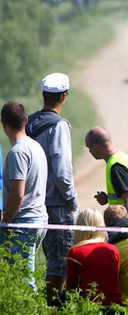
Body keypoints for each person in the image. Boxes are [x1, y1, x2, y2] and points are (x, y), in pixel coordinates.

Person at [25, 72, 79, 304]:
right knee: (61, 261)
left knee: (49, 260)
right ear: (64, 96)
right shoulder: (59, 126)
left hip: (36, 202)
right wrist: (72, 199)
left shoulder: (30, 123)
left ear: (43, 95)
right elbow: (62, 169)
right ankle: (55, 307)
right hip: (57, 204)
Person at [0, 101, 48, 291]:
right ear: (26, 120)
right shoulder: (35, 146)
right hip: (37, 219)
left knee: (23, 279)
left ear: (3, 124)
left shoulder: (17, 152)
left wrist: (6, 221)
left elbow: (17, 195)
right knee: (21, 275)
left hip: (23, 223)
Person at [85, 126, 128, 226]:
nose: (90, 152)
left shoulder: (116, 166)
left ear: (96, 147)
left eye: (89, 148)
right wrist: (108, 199)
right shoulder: (122, 158)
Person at [66, 208, 122, 307]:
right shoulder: (113, 250)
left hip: (91, 305)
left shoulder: (75, 252)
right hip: (115, 305)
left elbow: (71, 288)